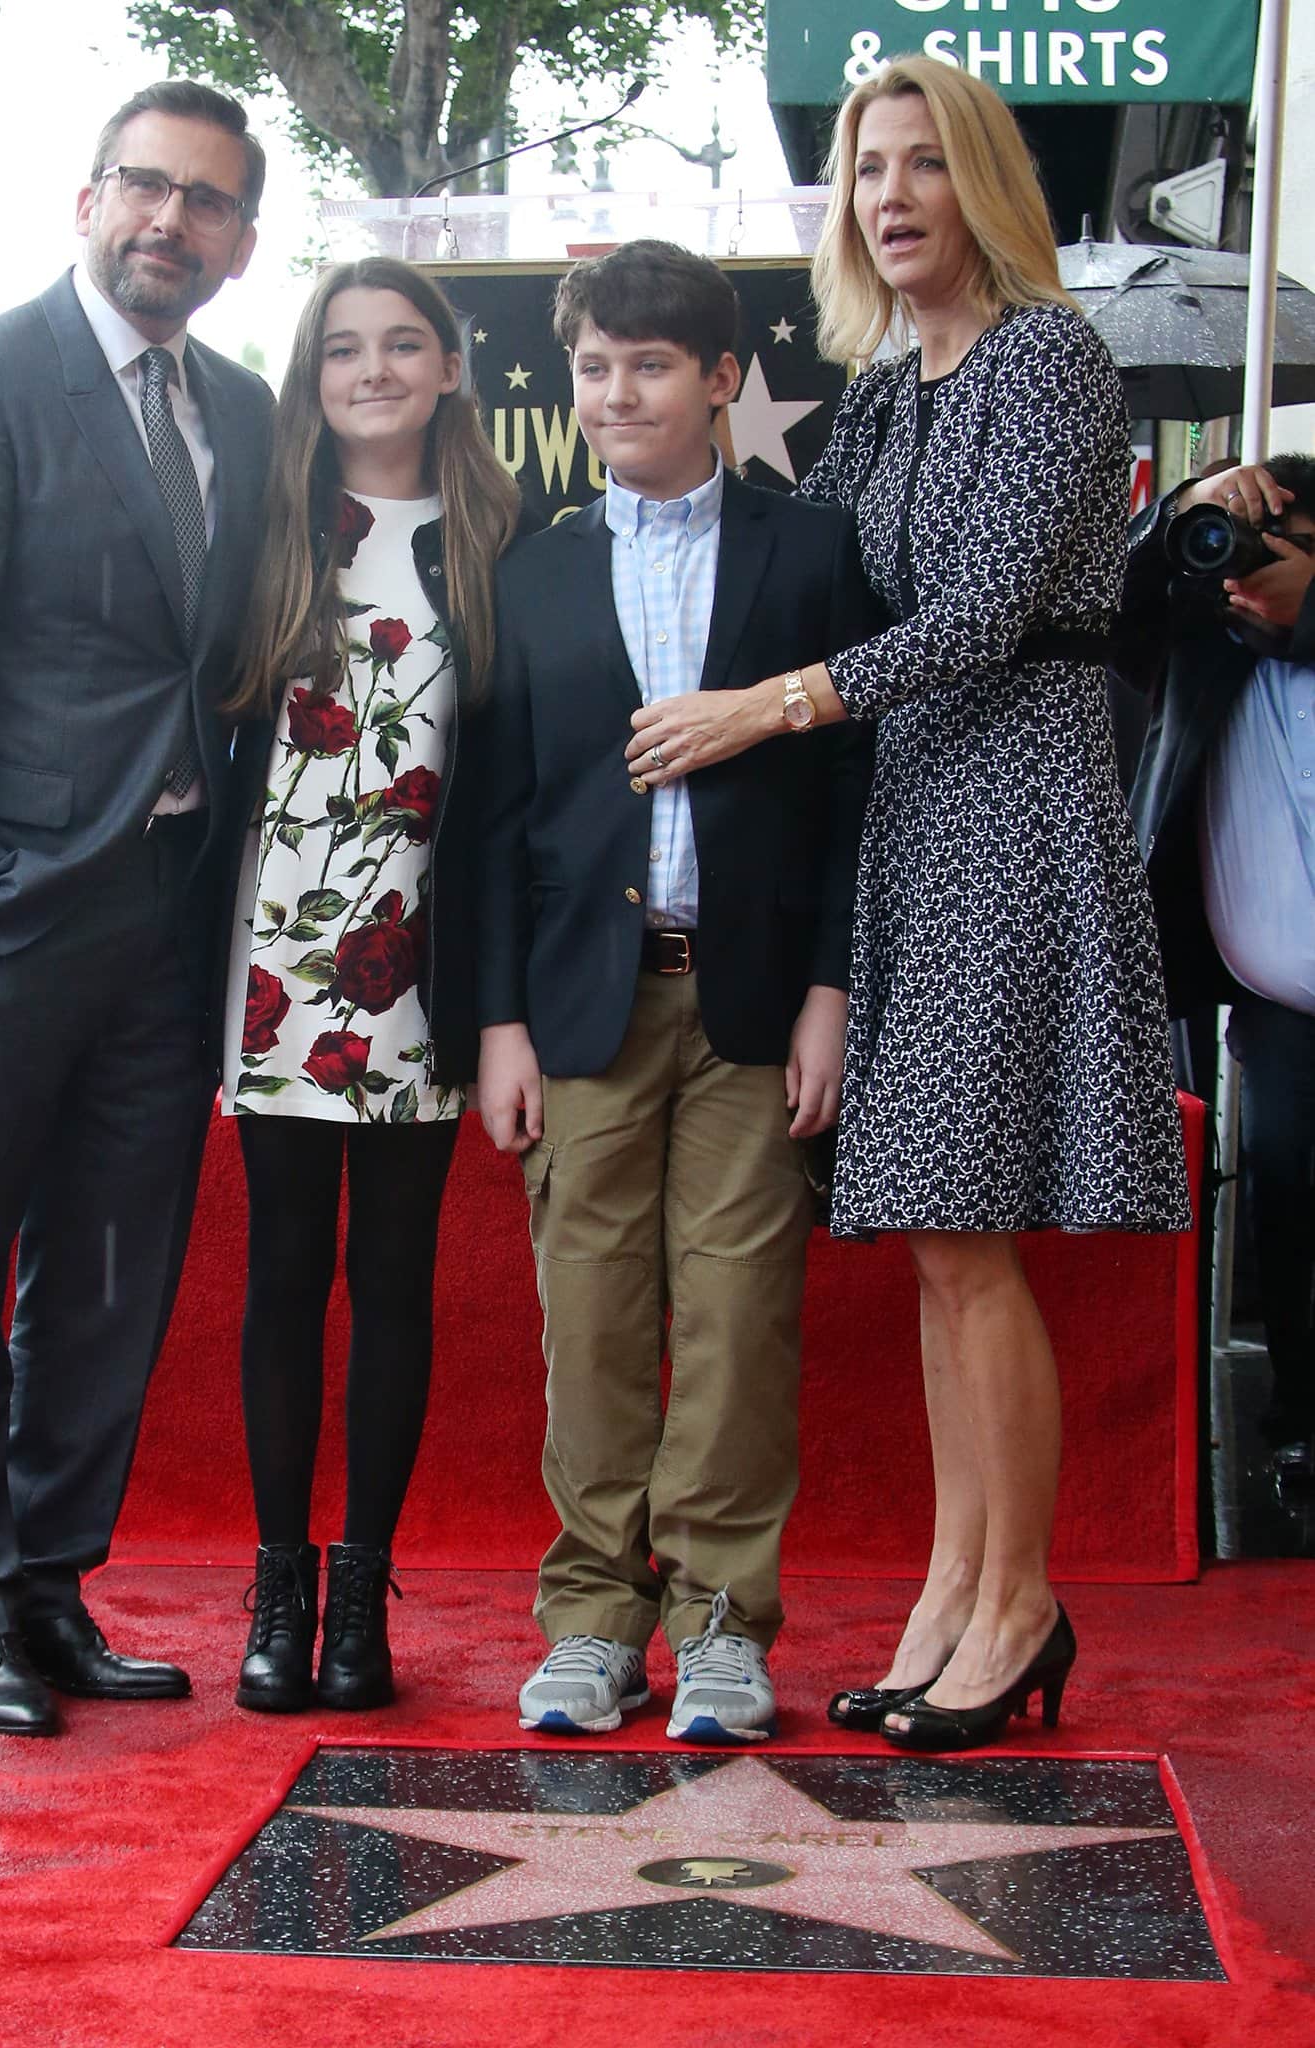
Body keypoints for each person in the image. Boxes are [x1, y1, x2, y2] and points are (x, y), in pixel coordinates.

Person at [617, 60, 1190, 1752]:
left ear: (986, 186)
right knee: (940, 1239)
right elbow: (822, 573)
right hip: (902, 819)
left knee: (964, 1233)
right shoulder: (879, 389)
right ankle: (958, 1589)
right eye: (867, 168)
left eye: (927, 164)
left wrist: (754, 704)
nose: (889, 194)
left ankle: (1013, 1599)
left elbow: (979, 618)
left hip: (1012, 806)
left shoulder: (1041, 356)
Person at [0, 80, 274, 1736]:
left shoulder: (242, 412)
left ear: (244, 243)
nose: (168, 220)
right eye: (144, 187)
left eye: (206, 202)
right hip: (7, 908)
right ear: (87, 198)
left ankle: (48, 1584)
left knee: (109, 1270)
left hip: (173, 916)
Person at [475, 240, 878, 1744]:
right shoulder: (531, 565)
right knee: (587, 1322)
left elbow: (856, 794)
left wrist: (834, 989)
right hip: (580, 1007)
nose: (614, 392)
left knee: (734, 1321)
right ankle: (590, 1618)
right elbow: (498, 816)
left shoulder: (813, 549)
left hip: (751, 1004)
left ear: (721, 380)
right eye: (592, 367)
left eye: (650, 365)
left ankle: (720, 1623)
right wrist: (498, 1021)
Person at [218, 258, 518, 1714]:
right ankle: (276, 1593)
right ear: (312, 374)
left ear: (453, 367)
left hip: (417, 966)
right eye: (344, 348)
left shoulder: (497, 540)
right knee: (283, 1275)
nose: (375, 370)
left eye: (404, 345)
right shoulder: (266, 532)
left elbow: (514, 787)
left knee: (392, 1284)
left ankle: (360, 1602)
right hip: (271, 967)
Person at [1122, 454, 1315, 1468]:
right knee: (1291, 1188)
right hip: (1282, 994)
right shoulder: (1204, 648)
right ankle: (1299, 1422)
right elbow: (1103, 611)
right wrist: (1183, 514)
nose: (1253, 563)